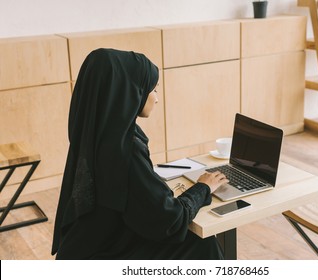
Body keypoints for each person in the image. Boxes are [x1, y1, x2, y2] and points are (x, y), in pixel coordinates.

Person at [51, 48, 229, 259]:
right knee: (202, 244)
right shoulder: (124, 149)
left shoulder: (93, 131)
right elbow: (169, 220)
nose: (156, 98)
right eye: (153, 89)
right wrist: (203, 188)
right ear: (130, 91)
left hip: (83, 248)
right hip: (103, 256)